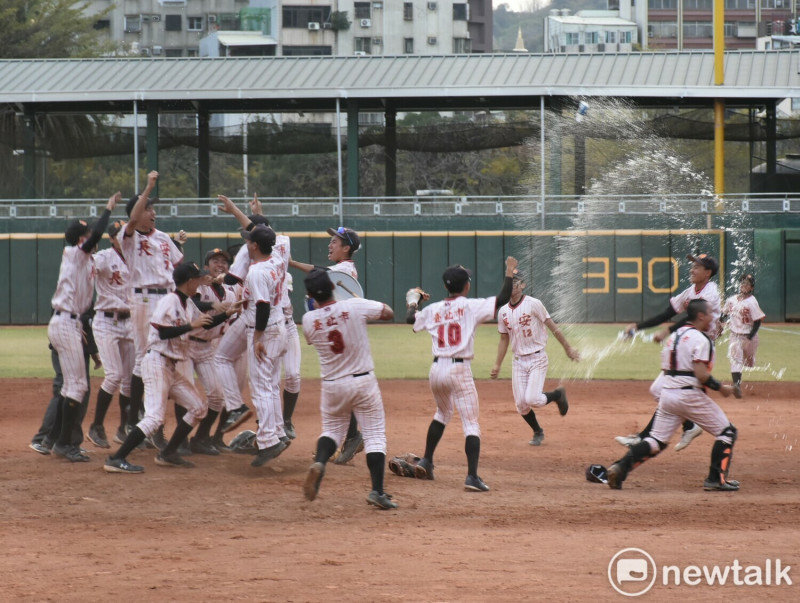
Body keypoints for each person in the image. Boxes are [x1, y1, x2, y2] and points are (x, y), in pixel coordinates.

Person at [103, 262, 238, 473]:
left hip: (171, 366)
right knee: (154, 418)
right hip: (157, 362)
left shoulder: (187, 304)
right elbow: (163, 332)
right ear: (189, 281)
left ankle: (168, 453)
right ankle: (116, 458)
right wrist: (190, 326)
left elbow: (206, 323)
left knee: (198, 408)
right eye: (197, 279)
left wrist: (230, 313)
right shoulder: (169, 301)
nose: (201, 281)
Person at [405, 257, 517, 492]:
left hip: (436, 370)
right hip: (459, 369)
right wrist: (508, 272)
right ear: (466, 285)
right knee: (471, 423)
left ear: (446, 287)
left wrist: (413, 300)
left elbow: (410, 319)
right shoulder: (469, 306)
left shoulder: (433, 309)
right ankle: (472, 477)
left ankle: (427, 460)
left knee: (442, 413)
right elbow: (503, 299)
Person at [606, 299, 741, 492]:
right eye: (710, 313)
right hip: (689, 396)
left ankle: (620, 467)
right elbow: (701, 375)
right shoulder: (701, 340)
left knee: (655, 441)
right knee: (727, 432)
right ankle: (715, 479)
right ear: (701, 316)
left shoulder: (675, 336)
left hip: (668, 395)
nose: (714, 316)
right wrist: (722, 389)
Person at [301, 269, 397, 510]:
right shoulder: (354, 305)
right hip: (363, 380)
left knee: (332, 431)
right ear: (333, 286)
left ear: (311, 295)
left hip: (333, 384)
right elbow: (388, 313)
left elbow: (313, 334)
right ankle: (377, 491)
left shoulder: (309, 320)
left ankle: (321, 461)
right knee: (374, 434)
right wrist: (358, 306)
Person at [616, 253, 722, 452]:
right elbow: (667, 313)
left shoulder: (711, 293)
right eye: (692, 265)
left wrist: (667, 331)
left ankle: (645, 438)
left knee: (666, 392)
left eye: (697, 267)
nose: (692, 269)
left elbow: (690, 319)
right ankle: (690, 425)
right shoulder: (691, 290)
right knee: (659, 391)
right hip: (687, 346)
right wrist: (637, 326)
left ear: (707, 273)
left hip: (701, 349)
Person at [45, 192, 118, 462]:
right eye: (87, 234)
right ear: (81, 239)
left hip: (71, 323)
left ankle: (58, 442)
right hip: (65, 321)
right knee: (77, 386)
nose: (92, 238)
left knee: (70, 388)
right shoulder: (75, 254)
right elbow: (97, 235)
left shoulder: (86, 261)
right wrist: (108, 209)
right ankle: (64, 444)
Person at [119, 171, 184, 449]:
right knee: (143, 360)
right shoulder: (129, 236)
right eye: (148, 208)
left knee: (168, 360)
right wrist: (147, 187)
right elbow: (133, 219)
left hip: (167, 300)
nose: (153, 212)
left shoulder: (165, 238)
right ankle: (134, 421)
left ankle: (155, 422)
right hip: (144, 300)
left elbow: (179, 267)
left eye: (153, 207)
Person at [290, 226, 363, 464]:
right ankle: (349, 437)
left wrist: (292, 262)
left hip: (341, 333)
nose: (329, 245)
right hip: (338, 331)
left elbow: (318, 271)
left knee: (340, 385)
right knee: (342, 385)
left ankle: (347, 438)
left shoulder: (344, 269)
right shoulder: (340, 269)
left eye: (334, 241)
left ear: (346, 248)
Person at [490, 269, 579, 445]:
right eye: (510, 282)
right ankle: (538, 431)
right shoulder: (502, 312)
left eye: (517, 282)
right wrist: (497, 364)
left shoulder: (533, 304)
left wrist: (568, 348)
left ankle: (557, 395)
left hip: (537, 358)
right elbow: (503, 338)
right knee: (521, 406)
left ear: (523, 285)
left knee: (532, 399)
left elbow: (553, 327)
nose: (513, 285)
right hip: (518, 361)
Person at [214, 194, 271, 434]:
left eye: (249, 238)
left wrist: (217, 279)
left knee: (227, 361)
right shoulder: (279, 249)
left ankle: (264, 430)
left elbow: (231, 278)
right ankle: (274, 429)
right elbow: (265, 233)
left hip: (257, 317)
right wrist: (259, 214)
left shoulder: (249, 255)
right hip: (278, 319)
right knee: (267, 380)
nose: (247, 242)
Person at [239, 224, 290, 467]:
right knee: (270, 384)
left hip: (266, 330)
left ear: (255, 245)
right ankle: (278, 432)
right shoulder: (277, 259)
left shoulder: (256, 272)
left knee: (261, 386)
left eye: (249, 240)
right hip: (279, 326)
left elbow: (262, 305)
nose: (247, 244)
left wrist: (257, 337)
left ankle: (268, 439)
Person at [86, 220, 135, 449]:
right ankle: (96, 426)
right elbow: (86, 266)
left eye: (127, 233)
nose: (124, 237)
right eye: (119, 234)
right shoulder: (104, 257)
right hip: (107, 320)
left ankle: (123, 429)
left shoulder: (137, 257)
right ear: (112, 238)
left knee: (129, 380)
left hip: (131, 322)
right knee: (114, 375)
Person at [30, 311, 99, 455]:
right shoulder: (71, 295)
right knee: (65, 389)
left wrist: (92, 351)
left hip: (80, 347)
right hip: (66, 343)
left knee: (80, 393)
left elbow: (86, 324)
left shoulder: (84, 297)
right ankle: (43, 439)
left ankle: (71, 441)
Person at [721, 274, 765, 388]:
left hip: (749, 336)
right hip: (734, 335)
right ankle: (737, 386)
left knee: (749, 362)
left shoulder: (752, 302)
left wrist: (749, 338)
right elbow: (723, 314)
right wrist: (720, 322)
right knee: (736, 360)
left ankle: (750, 360)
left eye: (747, 283)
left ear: (751, 288)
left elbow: (757, 321)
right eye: (742, 283)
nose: (744, 285)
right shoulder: (731, 300)